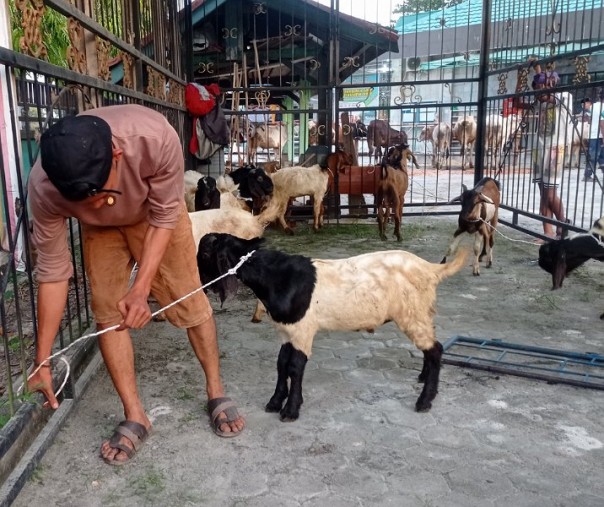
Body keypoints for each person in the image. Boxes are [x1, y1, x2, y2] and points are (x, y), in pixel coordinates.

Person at [27, 104, 245, 465]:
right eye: (84, 200)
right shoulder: (44, 186)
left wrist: (142, 290)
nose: (100, 203)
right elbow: (52, 271)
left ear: (116, 153)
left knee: (190, 300)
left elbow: (164, 216)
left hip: (154, 216)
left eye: (100, 191)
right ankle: (134, 413)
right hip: (100, 234)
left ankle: (216, 390)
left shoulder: (154, 138)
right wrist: (42, 358)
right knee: (108, 313)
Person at [514, 60, 571, 240]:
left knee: (549, 193)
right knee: (543, 191)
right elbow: (517, 103)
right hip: (540, 150)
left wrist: (538, 70)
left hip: (555, 150)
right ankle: (550, 231)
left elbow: (546, 95)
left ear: (551, 83)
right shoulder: (541, 102)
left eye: (540, 86)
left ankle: (562, 224)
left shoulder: (564, 97)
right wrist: (520, 78)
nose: (537, 91)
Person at [583, 93, 604, 181]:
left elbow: (589, 119)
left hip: (592, 134)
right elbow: (602, 123)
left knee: (601, 156)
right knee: (594, 156)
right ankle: (587, 175)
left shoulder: (593, 106)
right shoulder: (603, 107)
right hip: (599, 135)